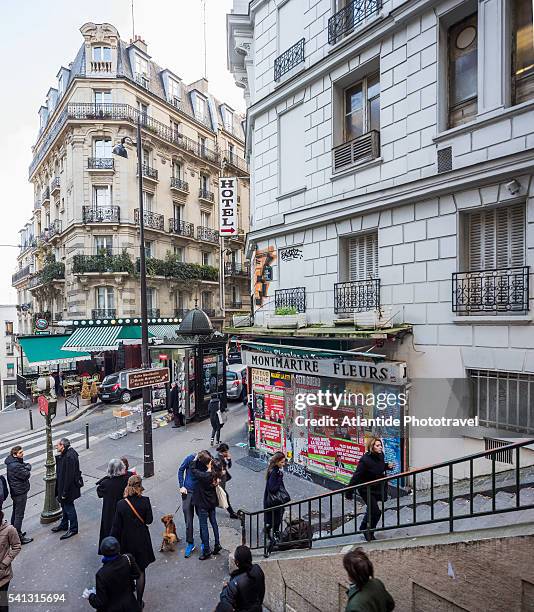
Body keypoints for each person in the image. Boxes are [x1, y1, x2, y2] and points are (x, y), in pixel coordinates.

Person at [111, 475, 155, 608]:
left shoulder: (121, 504)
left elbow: (116, 526)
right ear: (140, 486)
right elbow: (149, 520)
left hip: (126, 541)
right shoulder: (145, 501)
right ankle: (139, 602)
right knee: (141, 571)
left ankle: (128, 599)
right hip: (142, 540)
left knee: (128, 570)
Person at [346, 438, 394, 542]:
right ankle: (368, 531)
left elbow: (378, 468)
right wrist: (349, 491)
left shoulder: (381, 455)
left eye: (380, 445)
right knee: (376, 512)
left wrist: (387, 466)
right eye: (377, 445)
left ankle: (363, 526)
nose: (380, 447)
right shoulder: (365, 460)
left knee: (372, 508)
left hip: (376, 488)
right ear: (371, 447)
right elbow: (356, 476)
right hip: (365, 489)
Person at [86, 536, 141, 612]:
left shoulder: (101, 574)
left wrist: (90, 596)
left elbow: (100, 602)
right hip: (130, 605)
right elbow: (137, 574)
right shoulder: (128, 558)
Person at [190, 451, 222, 560]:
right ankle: (217, 544)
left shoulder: (204, 475)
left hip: (202, 503)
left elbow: (193, 470)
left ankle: (206, 551)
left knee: (204, 526)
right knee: (214, 523)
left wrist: (195, 459)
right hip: (212, 502)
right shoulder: (214, 473)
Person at [215, 545, 265, 612]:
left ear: (237, 562)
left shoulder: (235, 582)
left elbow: (224, 605)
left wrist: (225, 589)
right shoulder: (258, 570)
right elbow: (261, 591)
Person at [96, 459, 129, 554]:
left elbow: (99, 493)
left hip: (110, 512)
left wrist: (106, 478)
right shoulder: (127, 479)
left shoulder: (105, 484)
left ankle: (110, 551)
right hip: (124, 510)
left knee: (110, 531)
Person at [52, 438, 82, 540]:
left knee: (69, 507)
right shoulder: (68, 454)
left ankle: (73, 528)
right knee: (65, 506)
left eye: (57, 445)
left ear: (62, 446)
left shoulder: (69, 456)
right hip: (65, 487)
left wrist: (64, 492)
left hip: (68, 488)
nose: (56, 447)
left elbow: (68, 477)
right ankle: (64, 524)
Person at [4, 446, 32, 544]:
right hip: (20, 492)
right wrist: (27, 468)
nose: (22, 454)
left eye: (22, 452)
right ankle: (18, 537)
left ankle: (13, 534)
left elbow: (26, 465)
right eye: (20, 453)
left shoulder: (13, 462)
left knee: (15, 513)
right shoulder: (15, 465)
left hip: (16, 492)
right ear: (14, 454)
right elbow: (26, 474)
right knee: (19, 515)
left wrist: (26, 466)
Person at [178, 452, 200, 558]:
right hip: (187, 492)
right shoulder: (189, 458)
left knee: (202, 519)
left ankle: (204, 542)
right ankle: (190, 543)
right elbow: (181, 470)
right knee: (188, 519)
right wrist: (181, 485)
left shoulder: (205, 461)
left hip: (199, 493)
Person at [263, 452, 289, 541]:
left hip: (273, 501)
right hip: (274, 501)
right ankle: (275, 536)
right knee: (276, 519)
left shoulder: (274, 470)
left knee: (275, 519)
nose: (283, 464)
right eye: (282, 462)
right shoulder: (275, 472)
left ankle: (270, 531)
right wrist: (280, 477)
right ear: (277, 462)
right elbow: (273, 488)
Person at [0, 510, 21, 612]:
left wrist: (4, 563)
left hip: (3, 574)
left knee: (2, 602)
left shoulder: (9, 529)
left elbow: (17, 546)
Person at [216, 443, 239, 520]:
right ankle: (231, 513)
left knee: (219, 494)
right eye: (226, 452)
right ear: (222, 452)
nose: (227, 453)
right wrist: (221, 473)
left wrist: (229, 459)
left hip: (223, 479)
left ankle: (211, 505)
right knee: (225, 495)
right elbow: (215, 470)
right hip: (219, 480)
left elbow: (229, 466)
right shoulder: (217, 459)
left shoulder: (223, 456)